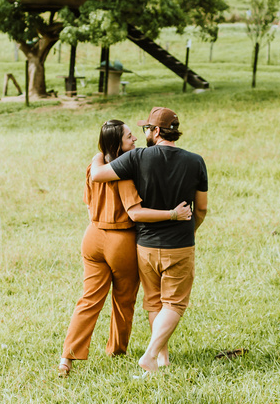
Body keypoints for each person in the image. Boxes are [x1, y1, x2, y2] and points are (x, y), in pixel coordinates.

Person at [59, 120, 191, 378]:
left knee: (88, 299)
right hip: (120, 239)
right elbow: (136, 213)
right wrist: (173, 214)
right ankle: (117, 350)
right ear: (118, 144)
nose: (135, 141)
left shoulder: (93, 166)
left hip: (92, 236)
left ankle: (67, 357)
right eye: (130, 137)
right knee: (124, 299)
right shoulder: (124, 173)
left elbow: (88, 205)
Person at [90, 107, 207, 376]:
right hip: (179, 245)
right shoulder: (196, 161)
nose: (143, 134)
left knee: (155, 302)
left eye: (146, 129)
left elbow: (97, 174)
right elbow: (200, 209)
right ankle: (152, 354)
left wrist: (100, 152)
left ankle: (161, 361)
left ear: (156, 131)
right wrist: (191, 229)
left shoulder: (137, 157)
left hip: (145, 246)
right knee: (174, 304)